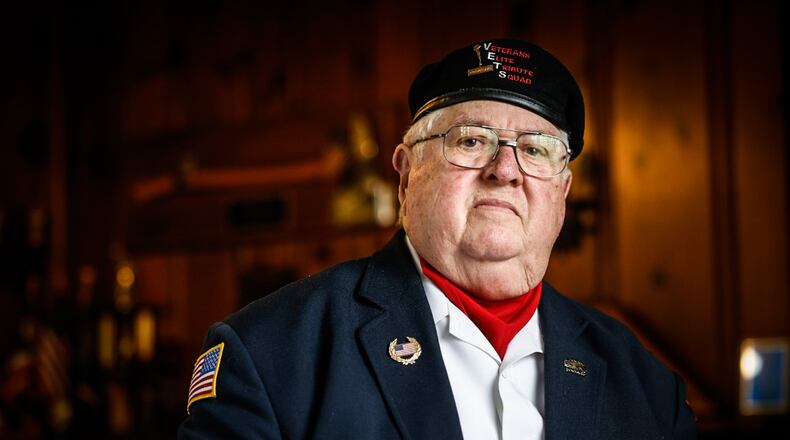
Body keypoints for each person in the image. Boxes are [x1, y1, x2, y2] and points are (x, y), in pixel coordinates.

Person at [178, 38, 697, 439]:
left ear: (561, 191)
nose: (506, 170)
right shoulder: (268, 354)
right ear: (406, 176)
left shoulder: (648, 388)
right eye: (471, 140)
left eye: (536, 150)